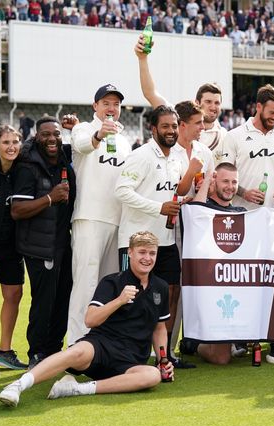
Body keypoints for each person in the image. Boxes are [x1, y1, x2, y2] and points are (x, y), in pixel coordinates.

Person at [0, 231, 173, 408]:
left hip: (132, 359)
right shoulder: (112, 281)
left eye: (152, 253)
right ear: (131, 252)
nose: (147, 258)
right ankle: (18, 386)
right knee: (75, 352)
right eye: (142, 252)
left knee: (152, 376)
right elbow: (90, 320)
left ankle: (77, 389)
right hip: (101, 346)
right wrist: (119, 300)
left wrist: (163, 361)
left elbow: (159, 328)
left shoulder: (161, 287)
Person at [115, 105, 188, 367]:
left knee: (170, 295)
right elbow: (122, 191)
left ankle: (164, 355)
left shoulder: (176, 159)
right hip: (135, 243)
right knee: (130, 297)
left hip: (165, 242)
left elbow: (171, 195)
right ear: (153, 128)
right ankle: (127, 354)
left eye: (174, 126)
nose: (171, 131)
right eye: (166, 126)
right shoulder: (142, 156)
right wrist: (159, 208)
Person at [66, 85, 132, 345]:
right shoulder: (83, 128)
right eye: (106, 102)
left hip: (118, 221)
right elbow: (82, 146)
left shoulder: (125, 141)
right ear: (95, 106)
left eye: (115, 104)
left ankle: (102, 345)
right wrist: (98, 134)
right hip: (90, 217)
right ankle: (76, 345)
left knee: (109, 287)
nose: (111, 108)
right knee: (85, 284)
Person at [11, 117, 76, 369]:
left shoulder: (63, 159)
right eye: (46, 134)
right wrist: (50, 198)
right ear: (37, 137)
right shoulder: (28, 166)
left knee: (63, 299)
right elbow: (17, 210)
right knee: (43, 301)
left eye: (56, 134)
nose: (52, 138)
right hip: (39, 247)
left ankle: (53, 349)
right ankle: (36, 353)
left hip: (63, 243)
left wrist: (77, 127)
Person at [179, 163, 251, 365]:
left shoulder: (241, 211)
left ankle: (239, 340)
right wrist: (207, 181)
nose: (230, 186)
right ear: (214, 182)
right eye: (225, 181)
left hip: (235, 281)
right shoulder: (200, 207)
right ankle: (192, 344)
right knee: (222, 359)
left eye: (234, 182)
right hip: (209, 286)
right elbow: (196, 213)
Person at [135, 35, 227, 164]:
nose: (213, 107)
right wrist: (142, 58)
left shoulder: (225, 136)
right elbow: (150, 93)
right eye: (208, 102)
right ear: (197, 103)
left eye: (217, 103)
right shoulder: (177, 117)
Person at [223, 84, 274, 211]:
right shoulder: (234, 136)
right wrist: (244, 193)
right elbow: (224, 176)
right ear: (258, 107)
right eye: (271, 113)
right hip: (243, 213)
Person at [0, 126, 27, 373]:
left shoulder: (22, 171)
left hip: (11, 248)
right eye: (6, 142)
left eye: (16, 141)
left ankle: (4, 351)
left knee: (14, 294)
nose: (11, 146)